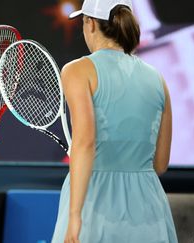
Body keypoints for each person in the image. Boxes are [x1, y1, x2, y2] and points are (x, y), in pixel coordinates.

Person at [51, 0, 178, 242]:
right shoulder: (158, 79)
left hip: (95, 207)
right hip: (150, 211)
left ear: (90, 24)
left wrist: (75, 216)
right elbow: (160, 164)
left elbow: (85, 143)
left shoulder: (77, 70)